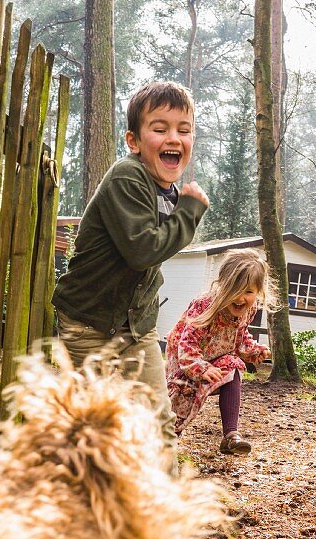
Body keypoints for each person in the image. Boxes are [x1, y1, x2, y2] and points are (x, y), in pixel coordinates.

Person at [52, 81, 209, 453]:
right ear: (134, 141)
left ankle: (159, 509)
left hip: (136, 328)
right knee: (97, 430)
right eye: (160, 128)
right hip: (89, 323)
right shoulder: (127, 176)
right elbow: (143, 250)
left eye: (183, 130)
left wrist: (180, 207)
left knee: (158, 427)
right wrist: (189, 212)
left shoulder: (166, 189)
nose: (174, 137)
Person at [165, 249, 274, 455]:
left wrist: (252, 351)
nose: (241, 298)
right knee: (181, 398)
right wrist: (199, 367)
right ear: (222, 286)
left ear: (258, 292)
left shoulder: (248, 310)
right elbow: (187, 342)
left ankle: (231, 436)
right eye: (236, 290)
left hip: (217, 357)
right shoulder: (205, 306)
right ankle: (164, 436)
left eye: (249, 292)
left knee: (233, 369)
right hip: (186, 358)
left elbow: (240, 337)